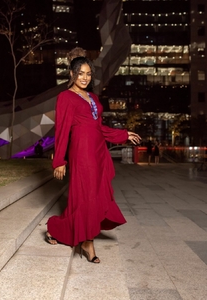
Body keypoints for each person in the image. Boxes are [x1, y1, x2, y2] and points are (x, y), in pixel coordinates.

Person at [46, 48, 141, 264]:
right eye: (81, 73)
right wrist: (59, 161)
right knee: (86, 197)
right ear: (71, 73)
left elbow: (99, 128)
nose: (85, 78)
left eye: (88, 74)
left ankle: (58, 230)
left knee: (93, 196)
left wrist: (123, 134)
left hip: (98, 152)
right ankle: (88, 242)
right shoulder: (65, 97)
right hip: (81, 153)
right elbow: (61, 131)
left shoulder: (93, 97)